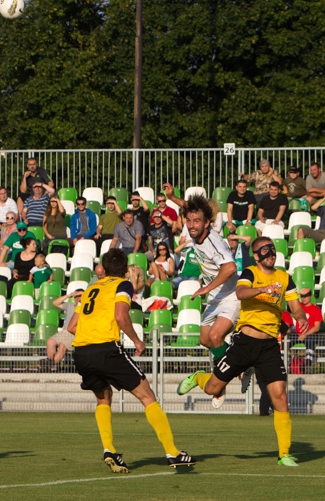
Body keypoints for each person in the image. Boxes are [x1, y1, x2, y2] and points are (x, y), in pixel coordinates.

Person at [177, 236, 308, 466]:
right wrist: (264, 289)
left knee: (280, 397)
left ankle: (284, 454)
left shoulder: (285, 278)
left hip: (269, 346)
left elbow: (295, 306)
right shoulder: (249, 273)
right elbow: (240, 293)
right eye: (265, 251)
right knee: (213, 388)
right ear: (256, 256)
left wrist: (300, 319)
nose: (271, 254)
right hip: (244, 342)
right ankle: (198, 377)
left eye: (273, 250)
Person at [66, 248, 196, 472]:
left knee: (104, 398)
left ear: (103, 269)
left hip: (81, 352)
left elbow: (71, 327)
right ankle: (173, 453)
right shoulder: (122, 285)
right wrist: (137, 341)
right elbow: (120, 315)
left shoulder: (89, 289)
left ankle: (109, 450)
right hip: (106, 349)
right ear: (125, 269)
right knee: (147, 396)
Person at [164, 185, 242, 407]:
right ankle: (239, 362)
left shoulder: (213, 242)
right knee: (204, 340)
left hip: (230, 296)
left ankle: (219, 386)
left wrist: (206, 288)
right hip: (215, 298)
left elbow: (229, 268)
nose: (191, 225)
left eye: (197, 221)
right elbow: (189, 208)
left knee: (216, 337)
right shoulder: (194, 227)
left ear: (208, 222)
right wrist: (172, 198)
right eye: (189, 221)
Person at [46, 289, 84, 365]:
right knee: (50, 341)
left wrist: (82, 293)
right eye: (76, 297)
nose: (78, 298)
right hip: (65, 331)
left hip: (74, 332)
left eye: (80, 296)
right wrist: (68, 295)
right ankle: (49, 362)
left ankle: (50, 366)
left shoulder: (86, 308)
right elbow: (55, 303)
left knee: (62, 346)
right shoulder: (70, 305)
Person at [297, 288, 325, 369]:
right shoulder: (298, 307)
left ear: (310, 296)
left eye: (306, 296)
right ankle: (284, 366)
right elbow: (288, 299)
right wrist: (298, 292)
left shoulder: (316, 309)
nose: (303, 298)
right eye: (302, 296)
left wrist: (305, 334)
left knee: (310, 340)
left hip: (310, 334)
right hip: (298, 334)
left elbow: (317, 327)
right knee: (285, 341)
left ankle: (308, 365)